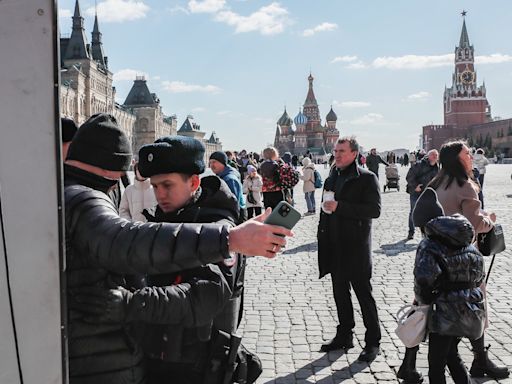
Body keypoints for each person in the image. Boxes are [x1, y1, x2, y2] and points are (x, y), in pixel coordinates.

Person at [63, 113, 291, 384]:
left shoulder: (220, 225)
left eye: (168, 185)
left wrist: (132, 304)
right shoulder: (160, 219)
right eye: (155, 186)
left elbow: (202, 297)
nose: (160, 194)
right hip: (157, 362)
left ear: (193, 182)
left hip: (196, 367)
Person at [410, 188, 486, 384]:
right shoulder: (466, 240)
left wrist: (424, 302)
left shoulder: (429, 244)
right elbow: (479, 276)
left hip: (444, 312)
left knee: (436, 365)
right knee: (452, 355)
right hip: (470, 309)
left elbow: (423, 280)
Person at [317, 136, 382, 362]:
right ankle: (344, 335)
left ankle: (373, 341)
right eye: (335, 151)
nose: (337, 155)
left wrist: (340, 207)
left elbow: (374, 210)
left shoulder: (366, 178)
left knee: (364, 295)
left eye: (342, 151)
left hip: (356, 248)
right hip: (335, 246)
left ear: (354, 153)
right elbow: (325, 208)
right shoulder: (332, 177)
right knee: (340, 294)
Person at [405, 149, 439, 240]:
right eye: (433, 155)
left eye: (436, 156)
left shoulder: (437, 167)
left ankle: (426, 233)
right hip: (417, 192)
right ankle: (411, 232)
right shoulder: (419, 165)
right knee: (413, 211)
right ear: (428, 156)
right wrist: (415, 186)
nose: (435, 157)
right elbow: (409, 176)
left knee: (429, 213)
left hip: (429, 193)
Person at [209, 151, 247, 222]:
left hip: (235, 216)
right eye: (210, 162)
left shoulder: (229, 179)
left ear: (222, 162)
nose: (211, 165)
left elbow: (233, 203)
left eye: (214, 162)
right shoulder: (223, 175)